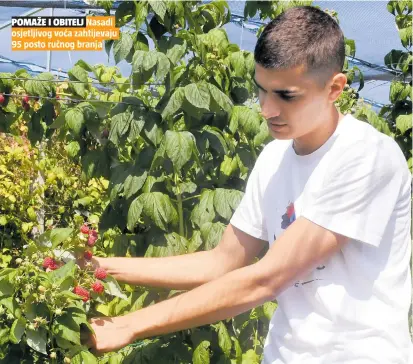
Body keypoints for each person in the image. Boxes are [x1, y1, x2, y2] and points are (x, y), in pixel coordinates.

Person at [85, 6, 412, 363]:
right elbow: (220, 262)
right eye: (261, 91)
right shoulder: (274, 158)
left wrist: (129, 324)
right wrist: (98, 266)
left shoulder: (366, 155)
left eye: (286, 96)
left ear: (334, 89)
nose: (267, 109)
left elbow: (266, 278)